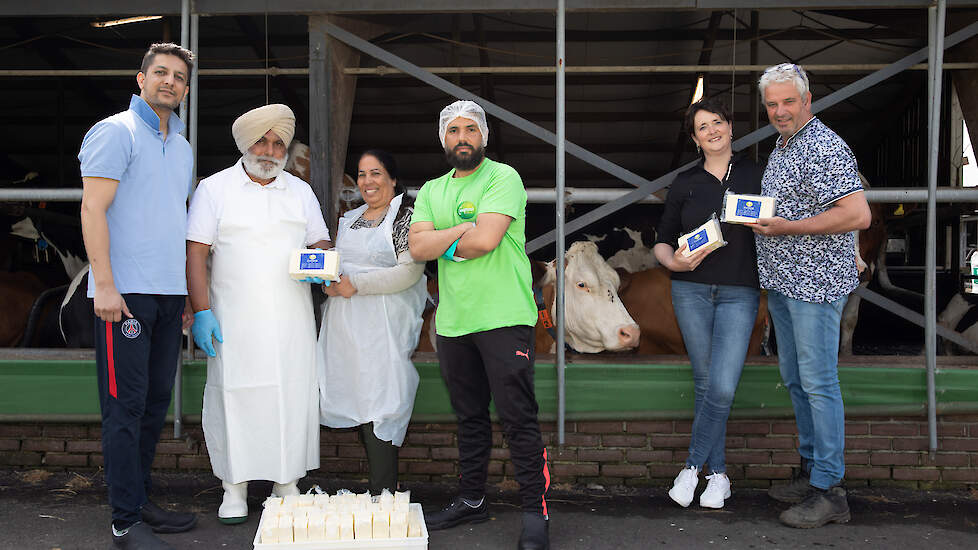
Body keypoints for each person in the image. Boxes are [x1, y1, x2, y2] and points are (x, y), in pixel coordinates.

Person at [409, 100, 550, 550]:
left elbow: (486, 240)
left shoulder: (502, 177)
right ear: (443, 139)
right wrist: (460, 235)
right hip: (453, 322)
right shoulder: (431, 188)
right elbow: (415, 248)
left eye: (471, 129)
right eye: (453, 131)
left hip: (504, 317)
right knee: (470, 417)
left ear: (484, 137)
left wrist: (441, 239)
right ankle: (472, 499)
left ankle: (535, 511)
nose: (462, 137)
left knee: (517, 418)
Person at [186, 104, 331, 524]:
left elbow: (320, 242)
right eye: (261, 141)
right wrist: (201, 311)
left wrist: (321, 264)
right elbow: (195, 253)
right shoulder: (214, 189)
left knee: (291, 396)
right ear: (245, 144)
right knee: (234, 397)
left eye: (278, 143)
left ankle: (287, 483)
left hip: (291, 322)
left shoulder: (300, 191)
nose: (269, 150)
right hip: (232, 321)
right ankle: (234, 487)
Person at [78, 42, 198, 550]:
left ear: (186, 90)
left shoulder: (184, 145)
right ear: (141, 79)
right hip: (124, 296)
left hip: (169, 296)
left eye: (179, 77)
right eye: (161, 73)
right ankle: (124, 521)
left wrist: (190, 296)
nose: (169, 81)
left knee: (152, 404)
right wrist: (105, 284)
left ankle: (140, 499)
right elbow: (92, 209)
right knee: (124, 408)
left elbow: (177, 221)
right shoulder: (115, 132)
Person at [751, 63, 871, 528]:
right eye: (772, 104)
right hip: (785, 281)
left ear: (807, 100)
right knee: (799, 380)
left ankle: (830, 491)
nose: (779, 111)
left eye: (787, 101)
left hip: (815, 284)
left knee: (819, 383)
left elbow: (857, 213)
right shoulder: (786, 144)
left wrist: (789, 228)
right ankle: (811, 469)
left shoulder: (824, 145)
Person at [654, 97, 763, 510]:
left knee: (721, 385)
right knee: (704, 383)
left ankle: (691, 466)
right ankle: (718, 477)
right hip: (691, 290)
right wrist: (674, 263)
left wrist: (770, 227)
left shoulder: (758, 172)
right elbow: (662, 241)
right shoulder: (685, 182)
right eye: (703, 127)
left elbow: (783, 220)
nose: (712, 130)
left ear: (731, 127)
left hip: (740, 290)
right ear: (695, 138)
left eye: (717, 122)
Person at [316, 149, 427, 494]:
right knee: (357, 389)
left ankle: (384, 491)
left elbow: (409, 273)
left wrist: (357, 284)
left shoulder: (406, 218)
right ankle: (375, 493)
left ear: (393, 179)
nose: (368, 182)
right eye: (362, 175)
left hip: (386, 326)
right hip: (346, 325)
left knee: (384, 398)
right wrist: (327, 280)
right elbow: (335, 264)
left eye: (376, 173)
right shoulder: (349, 220)